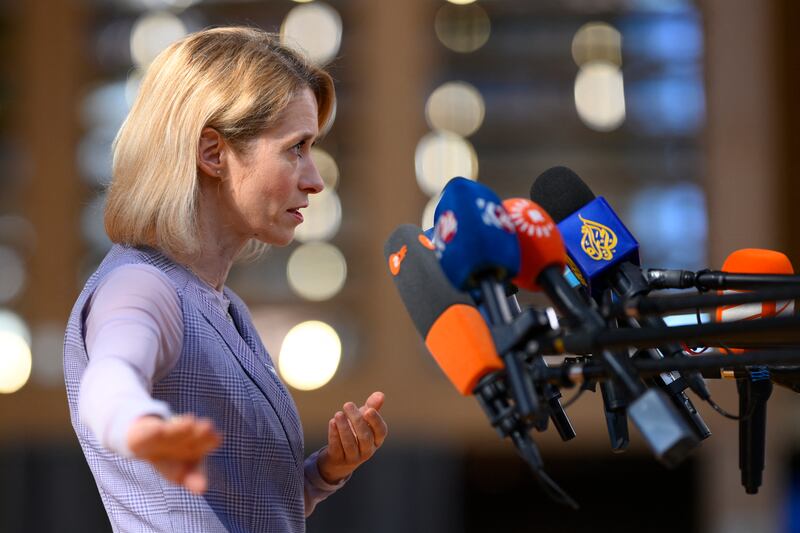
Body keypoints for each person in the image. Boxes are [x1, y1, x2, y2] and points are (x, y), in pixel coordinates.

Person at [63, 26, 388, 533]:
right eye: (296, 148)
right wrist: (138, 426)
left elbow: (244, 511)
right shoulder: (140, 286)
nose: (315, 179)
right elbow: (110, 379)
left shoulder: (222, 305)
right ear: (213, 153)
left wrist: (325, 473)